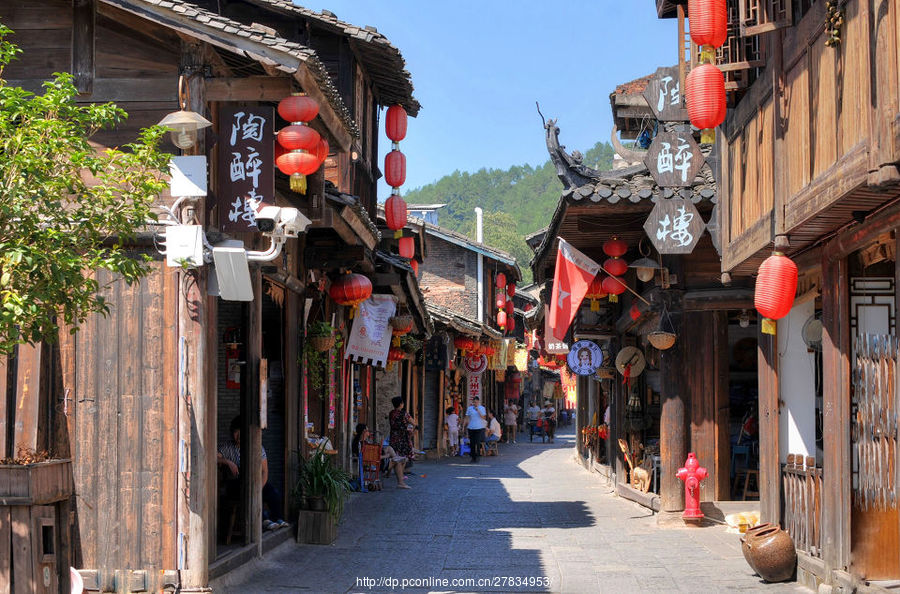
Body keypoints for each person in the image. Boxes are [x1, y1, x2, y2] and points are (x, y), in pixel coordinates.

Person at [217, 415, 288, 530]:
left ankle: (278, 518)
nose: (239, 436)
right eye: (236, 432)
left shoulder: (257, 447)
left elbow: (265, 472)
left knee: (273, 493)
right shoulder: (227, 447)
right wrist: (228, 462)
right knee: (250, 491)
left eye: (242, 432)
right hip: (235, 485)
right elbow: (212, 458)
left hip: (255, 483)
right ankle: (265, 520)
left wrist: (260, 487)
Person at [352, 423, 409, 489]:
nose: (369, 432)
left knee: (389, 448)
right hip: (374, 463)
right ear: (364, 431)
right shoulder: (364, 445)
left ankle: (395, 459)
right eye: (367, 430)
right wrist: (387, 456)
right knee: (397, 462)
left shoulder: (359, 442)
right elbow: (374, 458)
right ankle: (401, 483)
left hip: (371, 461)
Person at [389, 396, 417, 462]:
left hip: (394, 437)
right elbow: (413, 422)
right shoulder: (404, 414)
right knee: (405, 455)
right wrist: (414, 427)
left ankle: (397, 469)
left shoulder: (391, 413)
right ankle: (403, 470)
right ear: (400, 404)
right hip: (403, 437)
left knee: (396, 455)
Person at [463, 396, 487, 463]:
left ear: (478, 402)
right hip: (471, 427)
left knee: (477, 442)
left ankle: (478, 456)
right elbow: (467, 417)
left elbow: (484, 417)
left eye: (476, 402)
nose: (475, 403)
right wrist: (463, 426)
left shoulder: (482, 408)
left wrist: (478, 411)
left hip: (479, 427)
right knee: (472, 443)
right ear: (472, 402)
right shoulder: (469, 408)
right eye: (474, 402)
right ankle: (473, 457)